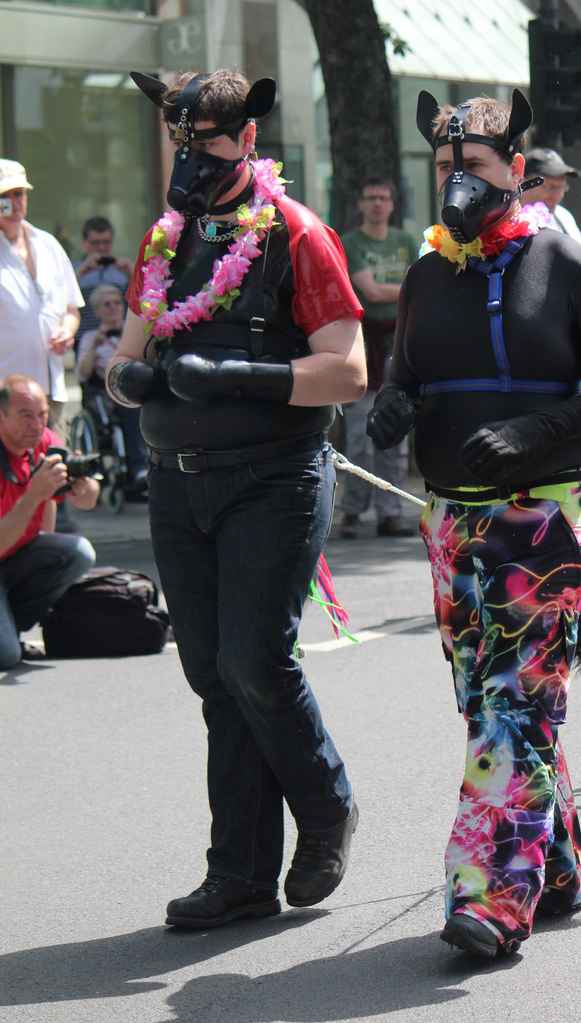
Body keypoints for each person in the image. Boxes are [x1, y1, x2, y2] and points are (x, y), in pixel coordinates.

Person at [367, 89, 581, 958]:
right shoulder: (422, 275)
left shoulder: (565, 266)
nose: (458, 183)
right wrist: (394, 404)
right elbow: (407, 373)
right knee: (485, 703)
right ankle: (555, 867)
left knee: (514, 704)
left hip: (548, 516)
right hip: (452, 521)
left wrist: (535, 431)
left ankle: (489, 896)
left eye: (475, 168)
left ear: (515, 170)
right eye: (446, 167)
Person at [106, 68, 365, 929]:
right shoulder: (165, 236)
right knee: (215, 677)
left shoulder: (297, 233)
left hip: (275, 479)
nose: (193, 155)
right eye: (181, 139)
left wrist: (238, 373)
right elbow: (122, 359)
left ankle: (325, 807)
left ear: (247, 137)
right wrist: (128, 377)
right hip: (180, 485)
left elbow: (349, 369)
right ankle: (240, 874)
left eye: (208, 139)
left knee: (257, 662)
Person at [0, 374, 99, 670]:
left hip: (15, 558)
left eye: (42, 414)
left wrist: (83, 487)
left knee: (78, 552)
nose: (37, 424)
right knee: (6, 657)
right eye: (26, 415)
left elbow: (88, 501)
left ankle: (8, 626)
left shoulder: (44, 441)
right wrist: (34, 495)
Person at [339, 177, 417, 538]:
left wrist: (399, 291)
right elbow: (367, 289)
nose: (377, 204)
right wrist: (401, 288)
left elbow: (417, 287)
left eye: (383, 197)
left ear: (391, 203)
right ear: (360, 203)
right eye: (370, 197)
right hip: (363, 347)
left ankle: (390, 513)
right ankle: (352, 513)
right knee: (359, 438)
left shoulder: (405, 241)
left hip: (399, 345)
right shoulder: (351, 242)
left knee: (396, 439)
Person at [0, 160, 83, 440]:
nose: (13, 203)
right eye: (3, 197)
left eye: (18, 194)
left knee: (56, 472)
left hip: (50, 393)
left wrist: (67, 332)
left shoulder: (48, 244)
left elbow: (72, 308)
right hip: (6, 398)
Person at [75, 285, 149, 489]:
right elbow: (82, 374)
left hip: (140, 385)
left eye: (117, 303)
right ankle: (138, 467)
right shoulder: (90, 338)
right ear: (98, 310)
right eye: (107, 304)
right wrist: (93, 348)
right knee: (130, 404)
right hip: (110, 393)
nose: (114, 308)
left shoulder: (135, 330)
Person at [73, 216, 133, 349]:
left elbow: (142, 300)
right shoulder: (73, 269)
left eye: (106, 242)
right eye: (95, 243)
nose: (101, 248)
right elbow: (64, 297)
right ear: (84, 241)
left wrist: (131, 274)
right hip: (84, 340)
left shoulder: (124, 268)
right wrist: (81, 272)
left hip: (120, 340)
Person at [520, 147, 581, 247]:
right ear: (524, 184)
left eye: (562, 187)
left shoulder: (563, 216)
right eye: (550, 187)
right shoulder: (506, 222)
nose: (558, 196)